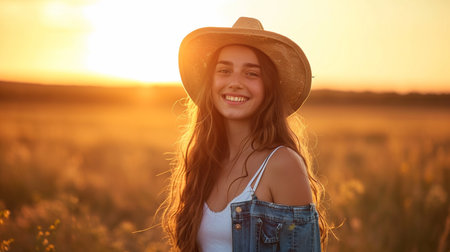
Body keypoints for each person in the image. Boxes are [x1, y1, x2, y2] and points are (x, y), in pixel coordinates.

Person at [160, 17, 329, 251]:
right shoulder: (205, 161)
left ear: (269, 87)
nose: (235, 83)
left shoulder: (282, 164)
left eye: (251, 74)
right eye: (224, 70)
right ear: (211, 83)